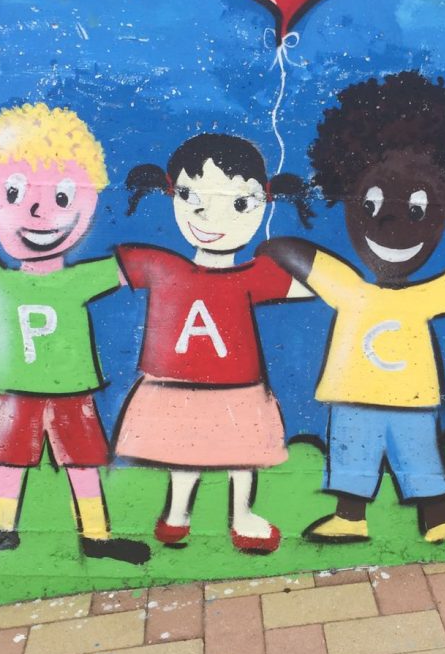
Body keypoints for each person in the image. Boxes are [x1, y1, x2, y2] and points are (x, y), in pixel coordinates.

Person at [260, 71, 445, 544]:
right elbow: (303, 258)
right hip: (357, 396)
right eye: (370, 204)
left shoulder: (411, 295)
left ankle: (437, 520)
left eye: (417, 211)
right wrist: (273, 248)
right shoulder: (350, 288)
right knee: (352, 456)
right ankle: (351, 517)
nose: (391, 224)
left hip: (410, 399)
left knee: (421, 458)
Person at [0, 103, 149, 563]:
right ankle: (0, 526)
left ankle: (96, 535)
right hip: (15, 393)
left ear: (91, 199)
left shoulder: (78, 279)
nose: (39, 210)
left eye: (64, 196)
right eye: (14, 192)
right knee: (8, 460)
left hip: (72, 394)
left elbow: (145, 268)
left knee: (83, 462)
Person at [115, 133, 313, 553]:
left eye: (239, 203)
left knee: (242, 455)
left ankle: (239, 516)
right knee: (184, 452)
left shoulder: (254, 274)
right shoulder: (163, 267)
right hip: (177, 384)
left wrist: (283, 248)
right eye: (191, 197)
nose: (210, 216)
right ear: (172, 194)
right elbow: (104, 273)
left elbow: (315, 285)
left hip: (237, 385)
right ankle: (177, 515)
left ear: (264, 203)